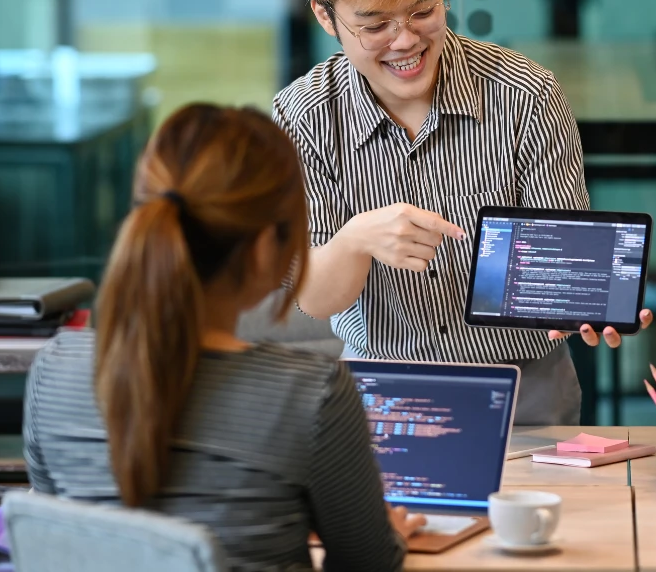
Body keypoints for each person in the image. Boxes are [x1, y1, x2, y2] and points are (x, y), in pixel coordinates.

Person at [273, 0, 649, 426]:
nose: (406, 40)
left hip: (526, 388)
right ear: (325, 17)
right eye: (375, 25)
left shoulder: (527, 95)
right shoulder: (302, 116)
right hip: (386, 391)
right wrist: (358, 240)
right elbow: (315, 299)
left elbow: (563, 265)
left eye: (423, 10)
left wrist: (589, 303)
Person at [24, 104, 422, 572]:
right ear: (261, 250)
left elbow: (62, 544)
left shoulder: (54, 370)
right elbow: (367, 565)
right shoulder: (312, 393)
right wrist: (387, 537)